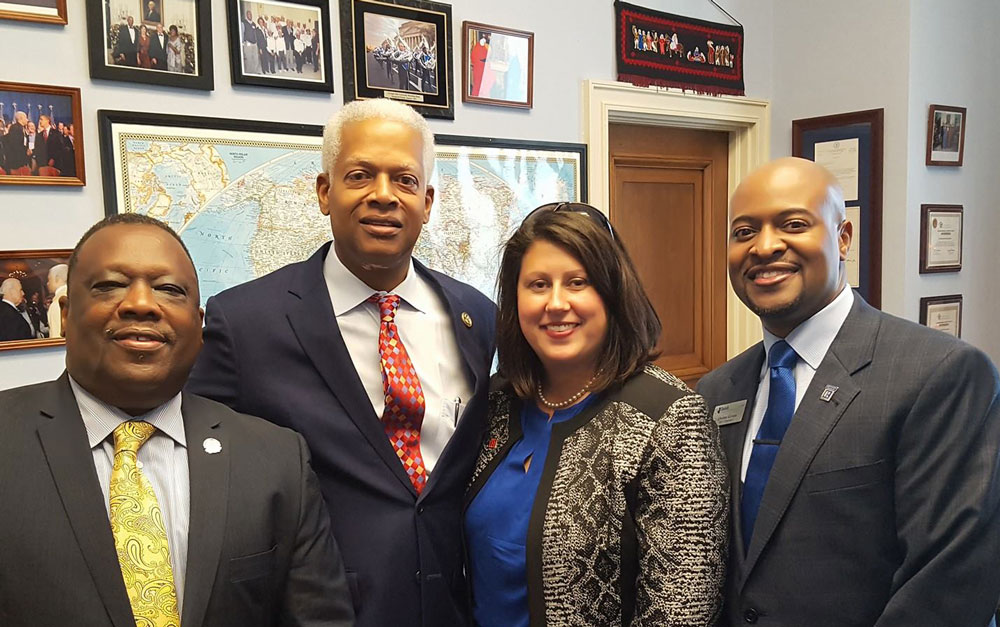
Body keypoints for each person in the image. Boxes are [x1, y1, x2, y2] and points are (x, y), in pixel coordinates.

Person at [187, 98, 497, 627]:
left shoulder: (477, 315)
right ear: (325, 192)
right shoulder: (244, 324)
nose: (383, 196)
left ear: (427, 201)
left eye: (403, 180)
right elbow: (204, 483)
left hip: (455, 608)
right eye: (360, 175)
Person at [0, 214, 355, 626]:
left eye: (169, 290)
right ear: (65, 310)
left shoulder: (276, 460)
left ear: (199, 326)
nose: (141, 304)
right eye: (110, 286)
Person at [697, 157, 1000, 626]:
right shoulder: (717, 391)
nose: (765, 246)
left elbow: (949, 583)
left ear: (843, 237)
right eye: (743, 232)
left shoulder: (940, 374)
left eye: (793, 224)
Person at [465, 203, 728, 626]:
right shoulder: (496, 403)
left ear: (611, 291)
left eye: (577, 282)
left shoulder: (668, 417)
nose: (555, 303)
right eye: (537, 284)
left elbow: (683, 611)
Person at [46, 262, 68, 338]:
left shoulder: (57, 304)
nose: (47, 283)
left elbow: (56, 338)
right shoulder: (78, 297)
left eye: (49, 279)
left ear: (57, 278)